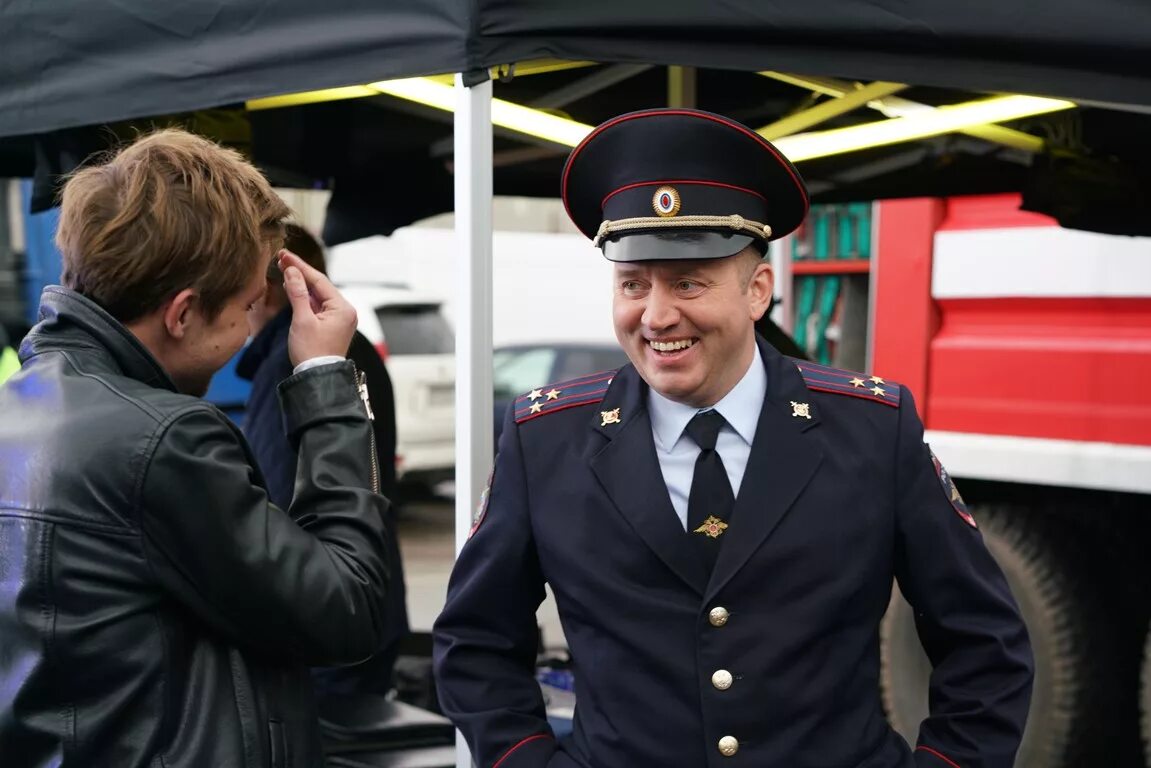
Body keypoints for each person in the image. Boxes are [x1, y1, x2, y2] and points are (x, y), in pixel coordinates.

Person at [432, 109, 1033, 768]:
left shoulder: (871, 429)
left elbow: (984, 642)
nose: (656, 316)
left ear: (757, 291)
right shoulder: (543, 439)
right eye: (632, 284)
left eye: (687, 282)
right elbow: (475, 642)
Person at [0, 129, 392, 768]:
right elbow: (346, 608)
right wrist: (324, 379)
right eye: (245, 306)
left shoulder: (20, 406)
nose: (246, 330)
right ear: (182, 314)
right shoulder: (160, 440)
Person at [239, 221, 410, 696]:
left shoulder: (291, 366)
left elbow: (275, 502)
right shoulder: (354, 353)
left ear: (274, 287)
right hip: (367, 594)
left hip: (324, 612)